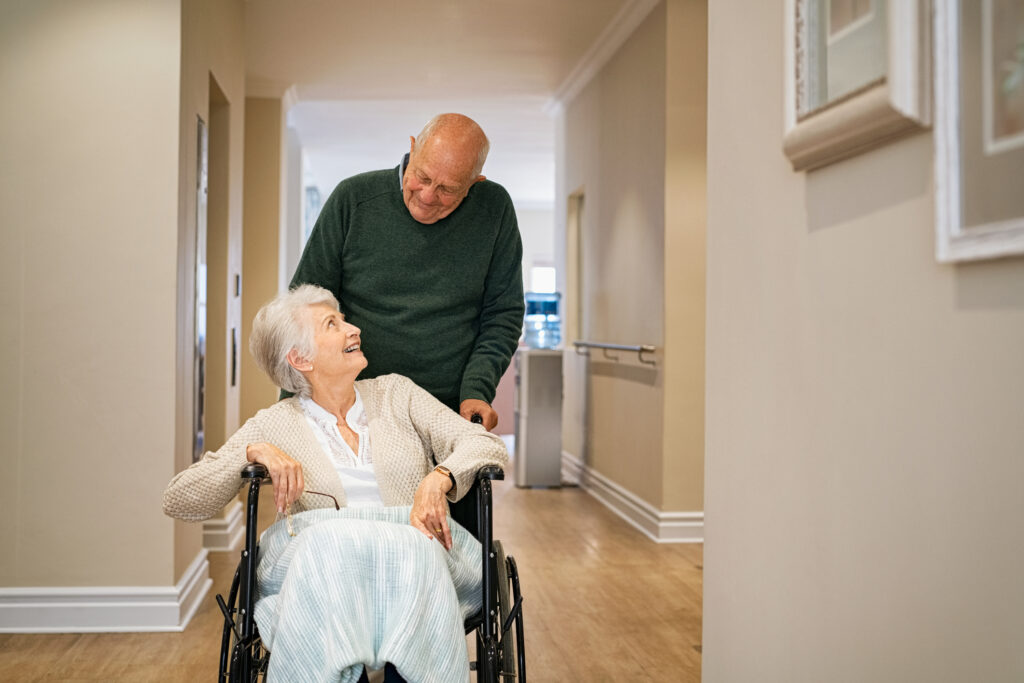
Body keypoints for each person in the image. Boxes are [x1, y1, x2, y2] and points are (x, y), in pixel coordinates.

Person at [163, 285, 509, 683]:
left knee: (416, 543)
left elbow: (484, 444)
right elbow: (180, 500)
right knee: (331, 544)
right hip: (323, 561)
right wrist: (253, 452)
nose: (353, 329)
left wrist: (439, 478)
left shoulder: (397, 393)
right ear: (300, 358)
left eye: (344, 319)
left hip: (413, 558)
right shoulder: (275, 423)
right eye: (333, 324)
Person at [289, 113, 524, 432]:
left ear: (474, 183)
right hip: (352, 407)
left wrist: (476, 391)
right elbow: (305, 308)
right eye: (422, 177)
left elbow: (503, 314)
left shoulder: (493, 210)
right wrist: (290, 408)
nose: (427, 197)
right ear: (412, 149)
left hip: (446, 409)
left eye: (447, 189)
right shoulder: (353, 199)